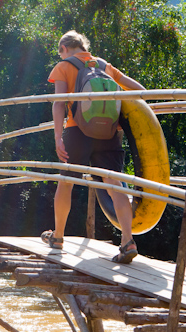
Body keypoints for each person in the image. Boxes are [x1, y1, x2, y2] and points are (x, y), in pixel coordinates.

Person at [43, 30, 145, 264]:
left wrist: (58, 136)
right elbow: (137, 89)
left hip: (78, 131)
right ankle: (128, 241)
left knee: (67, 182)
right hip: (109, 132)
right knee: (114, 183)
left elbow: (59, 104)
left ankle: (58, 237)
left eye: (60, 53)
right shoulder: (103, 65)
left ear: (64, 49)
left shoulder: (64, 67)